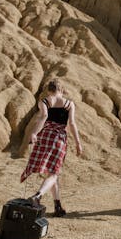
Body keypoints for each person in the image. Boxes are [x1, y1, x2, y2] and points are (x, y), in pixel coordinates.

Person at [21, 79, 83, 216]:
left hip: (45, 136)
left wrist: (34, 133)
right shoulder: (69, 104)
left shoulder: (44, 101)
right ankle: (38, 196)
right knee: (54, 173)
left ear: (49, 90)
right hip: (59, 138)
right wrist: (78, 143)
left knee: (52, 173)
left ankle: (58, 207)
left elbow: (43, 117)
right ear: (61, 90)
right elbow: (72, 124)